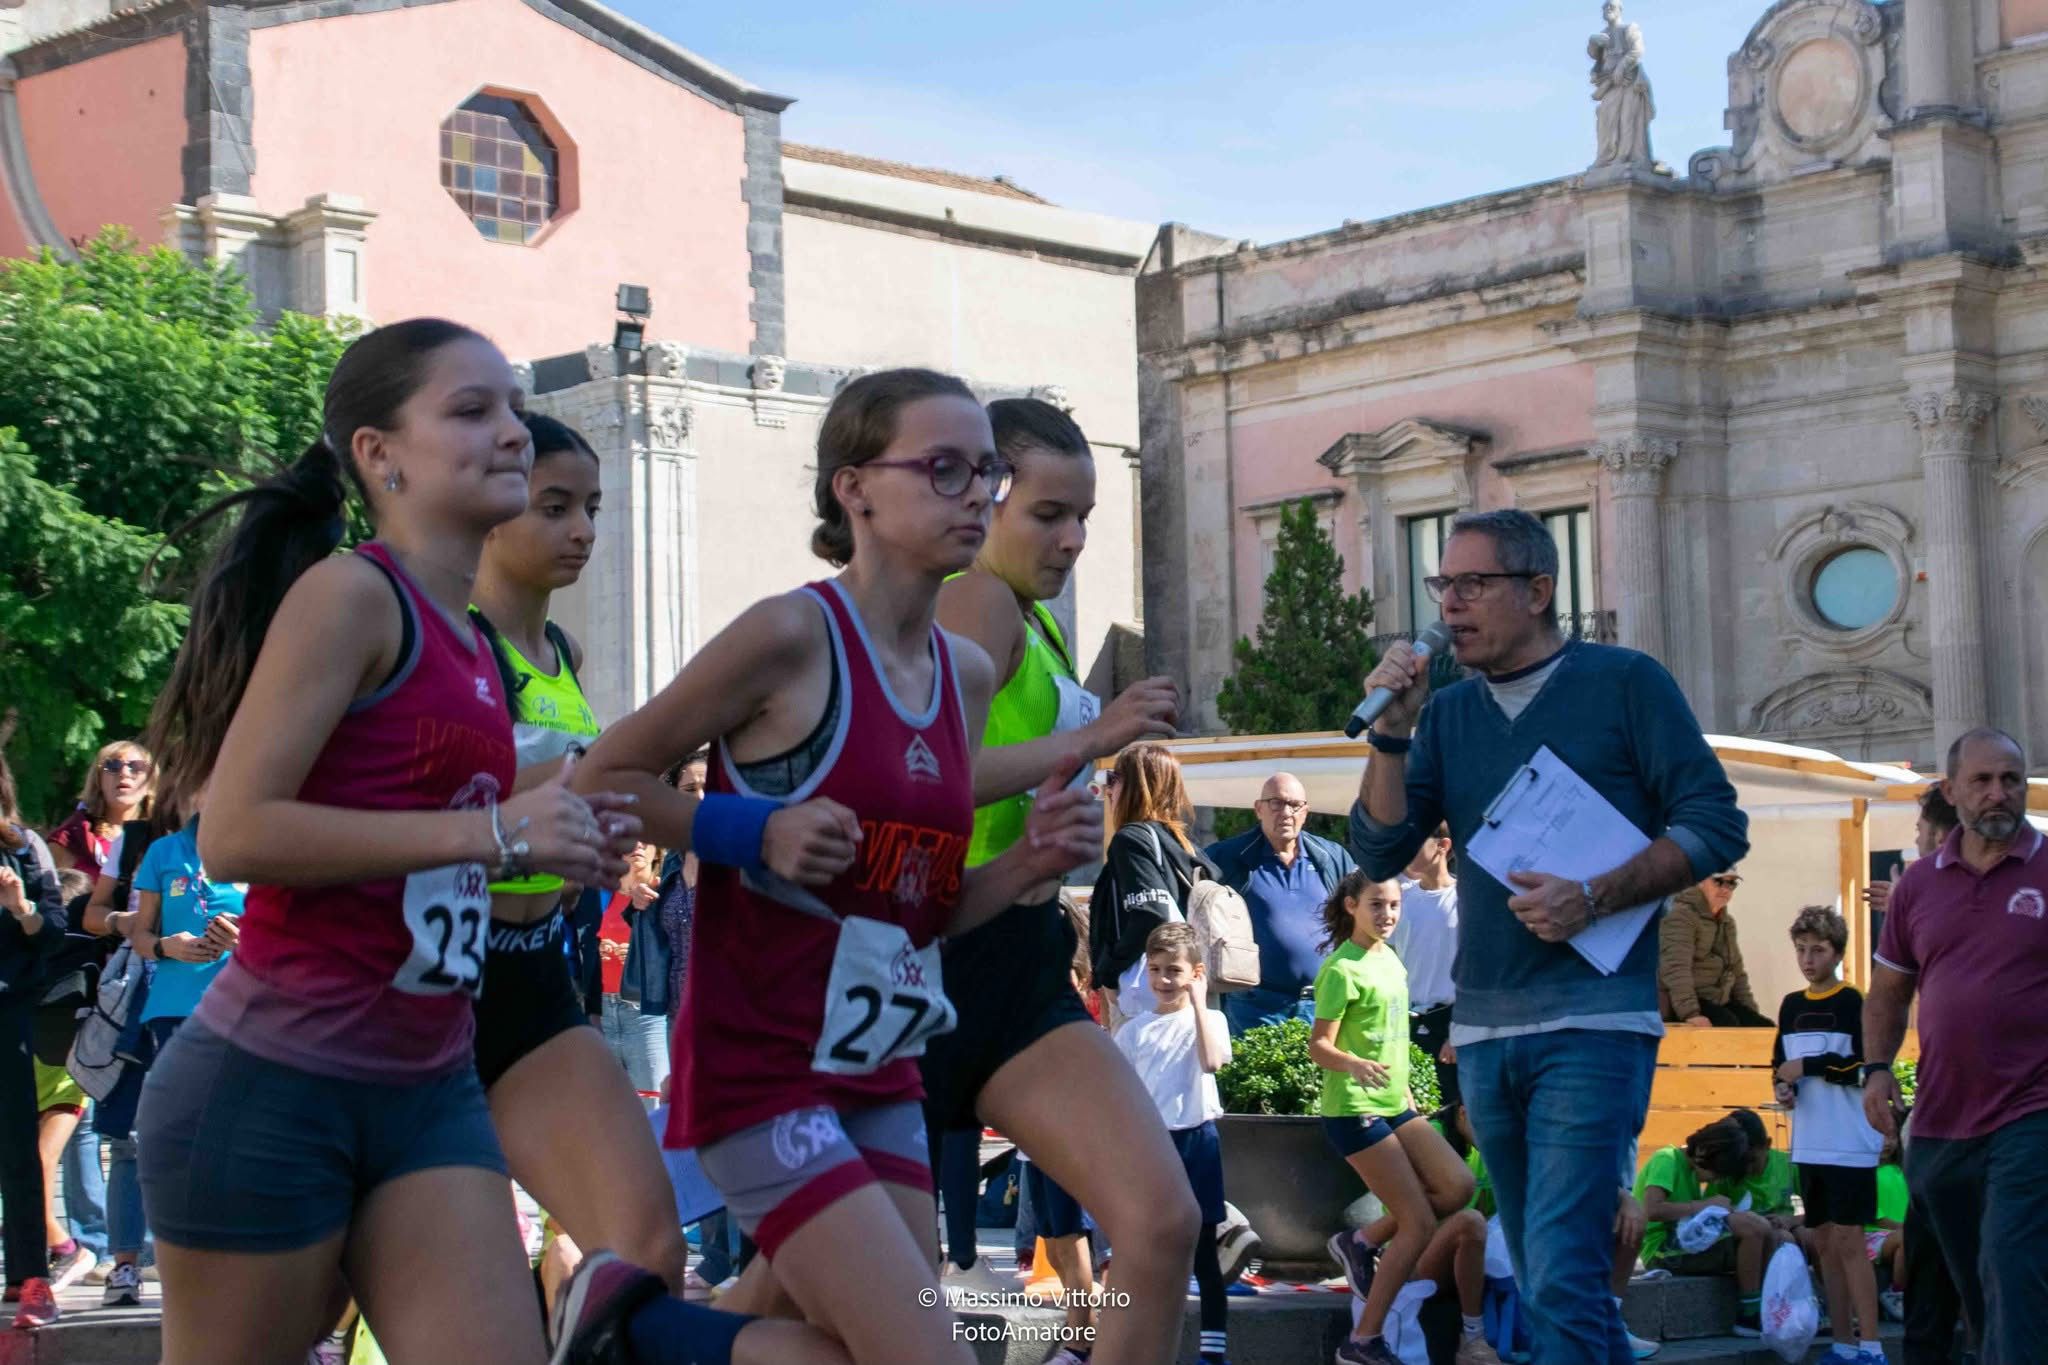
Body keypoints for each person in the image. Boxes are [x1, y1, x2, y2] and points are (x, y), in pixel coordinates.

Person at [565, 368, 1104, 1365]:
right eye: (943, 469)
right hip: (764, 1069)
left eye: (987, 473)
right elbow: (606, 777)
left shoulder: (964, 675)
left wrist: (1030, 856)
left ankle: (639, 1336)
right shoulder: (789, 635)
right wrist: (751, 830)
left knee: (849, 1345)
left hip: (878, 1068)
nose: (976, 496)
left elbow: (923, 911)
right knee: (926, 1355)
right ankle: (636, 1331)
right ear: (853, 488)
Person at [129, 318, 639, 1365]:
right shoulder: (352, 596)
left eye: (512, 408)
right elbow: (233, 833)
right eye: (472, 410)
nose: (512, 432)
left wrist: (566, 823)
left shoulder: (471, 643)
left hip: (429, 1085)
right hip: (275, 1081)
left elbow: (431, 829)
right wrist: (495, 832)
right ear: (379, 453)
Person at [1350, 507, 1749, 1365]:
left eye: (1472, 583)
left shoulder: (1626, 682)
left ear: (1538, 590)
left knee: (1564, 1277)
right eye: (1442, 584)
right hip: (1485, 1032)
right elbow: (1379, 849)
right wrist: (1392, 731)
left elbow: (1716, 823)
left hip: (1594, 1022)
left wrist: (1595, 895)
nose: (1449, 604)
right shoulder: (1447, 714)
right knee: (1548, 1282)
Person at [915, 396, 1193, 1365]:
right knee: (859, 1301)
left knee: (1160, 1221)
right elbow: (928, 773)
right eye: (1047, 513)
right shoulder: (976, 601)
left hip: (1023, 963)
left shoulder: (1027, 619)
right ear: (983, 498)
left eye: (1083, 517)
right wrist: (1091, 737)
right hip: (933, 963)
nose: (1072, 538)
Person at [1865, 727, 2048, 1363]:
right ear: (1951, 791)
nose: (1999, 793)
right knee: (1979, 1290)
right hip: (1942, 1123)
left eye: (2011, 780)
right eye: (1983, 780)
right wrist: (1876, 1069)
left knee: (2011, 1266)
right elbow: (1888, 992)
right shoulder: (1918, 886)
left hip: (2032, 1112)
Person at [1310, 872, 1490, 1365]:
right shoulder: (1341, 969)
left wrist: (1405, 1090)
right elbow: (1319, 1046)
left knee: (1458, 1186)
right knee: (1417, 1222)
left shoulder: (1391, 958)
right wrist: (1353, 1064)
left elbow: (1392, 1034)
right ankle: (1363, 1341)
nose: (1387, 914)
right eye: (1376, 905)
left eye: (1393, 905)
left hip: (1396, 1103)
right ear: (1352, 906)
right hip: (1355, 1108)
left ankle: (1361, 1241)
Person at [99, 778, 241, 1308]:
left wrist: (245, 938)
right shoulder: (164, 851)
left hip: (246, 1009)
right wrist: (167, 946)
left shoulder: (258, 847)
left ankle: (224, 1266)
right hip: (172, 1012)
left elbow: (291, 931)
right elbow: (139, 934)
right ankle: (131, 1265)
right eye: (199, 784)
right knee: (166, 1136)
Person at [1113, 922, 1234, 1365]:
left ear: (1196, 974)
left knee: (1202, 1251)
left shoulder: (1212, 1020)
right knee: (1150, 1252)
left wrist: (1200, 1003)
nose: (1164, 980)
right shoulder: (1134, 1031)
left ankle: (1212, 1351)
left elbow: (1212, 1061)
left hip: (1197, 1140)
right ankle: (1144, 1346)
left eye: (1174, 971)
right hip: (1152, 1147)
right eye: (1156, 969)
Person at [1772, 906, 1885, 1365]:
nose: (1808, 959)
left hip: (1850, 1143)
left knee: (1850, 1241)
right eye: (1801, 950)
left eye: (1817, 950)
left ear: (1837, 953)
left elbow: (1865, 1066)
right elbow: (1780, 1063)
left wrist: (1811, 1066)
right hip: (1808, 1142)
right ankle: (1842, 1343)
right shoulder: (1790, 1005)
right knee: (1823, 1244)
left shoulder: (1854, 1001)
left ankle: (1872, 1346)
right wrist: (1782, 1087)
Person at [1203, 771, 1356, 1037]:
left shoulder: (1330, 858)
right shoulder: (1226, 859)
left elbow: (1358, 918)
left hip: (1323, 1004)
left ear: (1305, 812)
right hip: (1255, 1007)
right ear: (1258, 809)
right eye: (1276, 803)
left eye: (1294, 805)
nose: (1286, 813)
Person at [0, 749, 69, 1328]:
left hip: (8, 1008)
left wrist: (21, 908)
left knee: (17, 1147)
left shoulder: (24, 847)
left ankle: (28, 1276)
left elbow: (54, 931)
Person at [1090, 741, 1214, 1028]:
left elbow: (1151, 913)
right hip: (1187, 991)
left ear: (1135, 787)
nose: (1109, 790)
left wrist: (1109, 971)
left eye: (1113, 779)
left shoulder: (1131, 840)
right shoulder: (1185, 846)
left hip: (1145, 996)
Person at [1633, 1117, 1791, 1336]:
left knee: (1771, 1233)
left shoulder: (1692, 1171)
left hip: (1685, 1240)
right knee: (1750, 1226)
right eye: (1717, 1173)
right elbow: (1651, 1210)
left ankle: (1765, 1304)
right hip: (1660, 1250)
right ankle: (1749, 1313)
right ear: (1703, 1152)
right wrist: (1704, 1205)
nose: (1715, 1180)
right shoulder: (1666, 1159)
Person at [594, 842, 669, 1098]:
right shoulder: (601, 894)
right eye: (631, 839)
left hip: (645, 1013)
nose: (638, 845)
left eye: (646, 839)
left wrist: (636, 956)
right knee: (610, 1106)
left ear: (658, 850)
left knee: (652, 1106)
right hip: (603, 1012)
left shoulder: (663, 891)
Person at [1394, 824, 1459, 1102]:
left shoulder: (1464, 899)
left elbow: (1478, 974)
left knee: (1451, 1111)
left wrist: (1458, 1033)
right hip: (1404, 1024)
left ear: (1443, 846)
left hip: (1449, 1024)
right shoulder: (1400, 899)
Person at [1658, 870, 1770, 1027]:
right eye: (1718, 881)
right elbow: (1675, 969)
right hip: (1681, 1003)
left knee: (1765, 1029)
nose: (1725, 889)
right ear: (1700, 882)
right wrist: (1691, 1014)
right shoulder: (1680, 916)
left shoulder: (1727, 922)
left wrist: (1751, 1014)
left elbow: (1736, 972)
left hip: (1716, 1001)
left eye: (1731, 883)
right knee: (1726, 1024)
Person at [46, 741, 155, 878]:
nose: (124, 773)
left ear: (150, 783)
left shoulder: (163, 838)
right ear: (98, 781)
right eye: (113, 765)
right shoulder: (69, 838)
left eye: (137, 766)